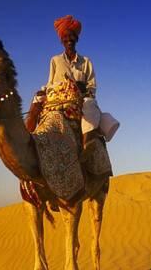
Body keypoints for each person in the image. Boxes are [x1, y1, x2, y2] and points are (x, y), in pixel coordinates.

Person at [30, 15, 118, 161]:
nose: (69, 40)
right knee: (36, 101)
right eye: (66, 37)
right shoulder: (55, 60)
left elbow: (92, 86)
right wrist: (45, 91)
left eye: (72, 37)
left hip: (80, 100)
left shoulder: (86, 62)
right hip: (57, 98)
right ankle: (29, 139)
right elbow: (50, 82)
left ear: (76, 39)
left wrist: (82, 88)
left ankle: (87, 143)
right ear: (62, 40)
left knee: (90, 106)